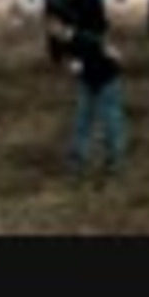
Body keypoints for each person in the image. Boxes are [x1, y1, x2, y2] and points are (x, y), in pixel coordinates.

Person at [48, 12, 127, 180]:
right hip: (89, 83)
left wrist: (89, 67)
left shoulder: (86, 39)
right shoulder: (63, 43)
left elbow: (114, 54)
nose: (50, 28)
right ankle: (78, 160)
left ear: (64, 24)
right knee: (83, 120)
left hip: (106, 83)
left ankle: (114, 159)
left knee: (110, 121)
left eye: (53, 24)